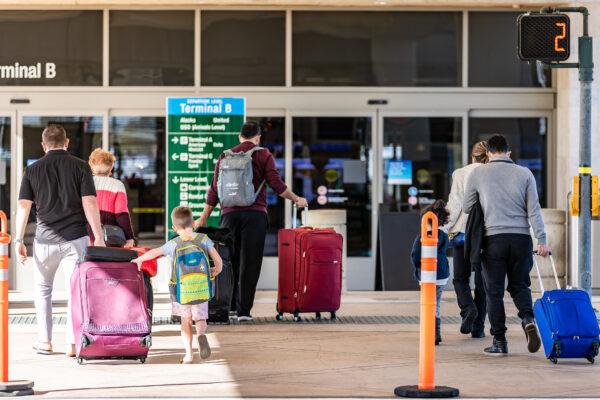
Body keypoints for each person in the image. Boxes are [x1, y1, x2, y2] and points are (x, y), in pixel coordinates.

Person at [195, 121, 308, 322]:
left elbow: (213, 190)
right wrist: (296, 199)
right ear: (258, 137)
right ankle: (243, 311)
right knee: (250, 262)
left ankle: (227, 306)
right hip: (255, 215)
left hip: (228, 216)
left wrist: (203, 217)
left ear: (240, 137)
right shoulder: (263, 154)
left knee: (229, 260)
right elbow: (277, 185)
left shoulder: (224, 156)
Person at [14, 124, 105, 357]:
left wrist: (18, 239)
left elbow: (23, 207)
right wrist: (99, 238)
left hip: (45, 240)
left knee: (43, 290)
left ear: (44, 145)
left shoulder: (32, 171)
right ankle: (73, 343)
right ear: (66, 143)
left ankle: (45, 341)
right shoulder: (81, 167)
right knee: (76, 291)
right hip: (76, 239)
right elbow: (90, 203)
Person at [463, 134, 550, 356]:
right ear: (508, 152)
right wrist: (541, 240)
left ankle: (500, 342)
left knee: (494, 292)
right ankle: (528, 319)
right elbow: (534, 210)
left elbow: (466, 207)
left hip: (494, 241)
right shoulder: (525, 173)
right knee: (520, 286)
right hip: (521, 240)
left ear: (489, 153)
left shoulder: (478, 172)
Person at [132, 206, 223, 364]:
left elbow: (155, 252)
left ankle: (188, 354)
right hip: (201, 288)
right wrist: (217, 269)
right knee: (200, 319)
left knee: (185, 320)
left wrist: (139, 259)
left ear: (174, 227)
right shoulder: (203, 239)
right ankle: (201, 335)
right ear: (193, 223)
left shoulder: (173, 243)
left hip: (181, 291)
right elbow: (218, 260)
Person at [87, 148, 156, 312]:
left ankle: (95, 312)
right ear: (111, 168)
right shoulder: (117, 185)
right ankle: (114, 312)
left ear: (91, 165)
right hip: (111, 240)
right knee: (112, 276)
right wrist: (129, 237)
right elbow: (121, 214)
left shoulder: (85, 184)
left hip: (88, 237)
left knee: (91, 274)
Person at [444, 141, 488, 338]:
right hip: (485, 234)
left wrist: (443, 228)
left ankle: (468, 309)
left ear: (472, 156)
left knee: (460, 278)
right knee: (482, 282)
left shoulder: (460, 173)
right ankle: (478, 328)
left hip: (462, 232)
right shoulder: (491, 174)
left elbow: (454, 205)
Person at [411, 200, 450, 346]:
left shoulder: (421, 236)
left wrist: (418, 268)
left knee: (427, 303)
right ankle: (436, 333)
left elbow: (415, 255)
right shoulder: (444, 236)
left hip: (427, 276)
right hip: (441, 275)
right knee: (436, 304)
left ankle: (430, 332)